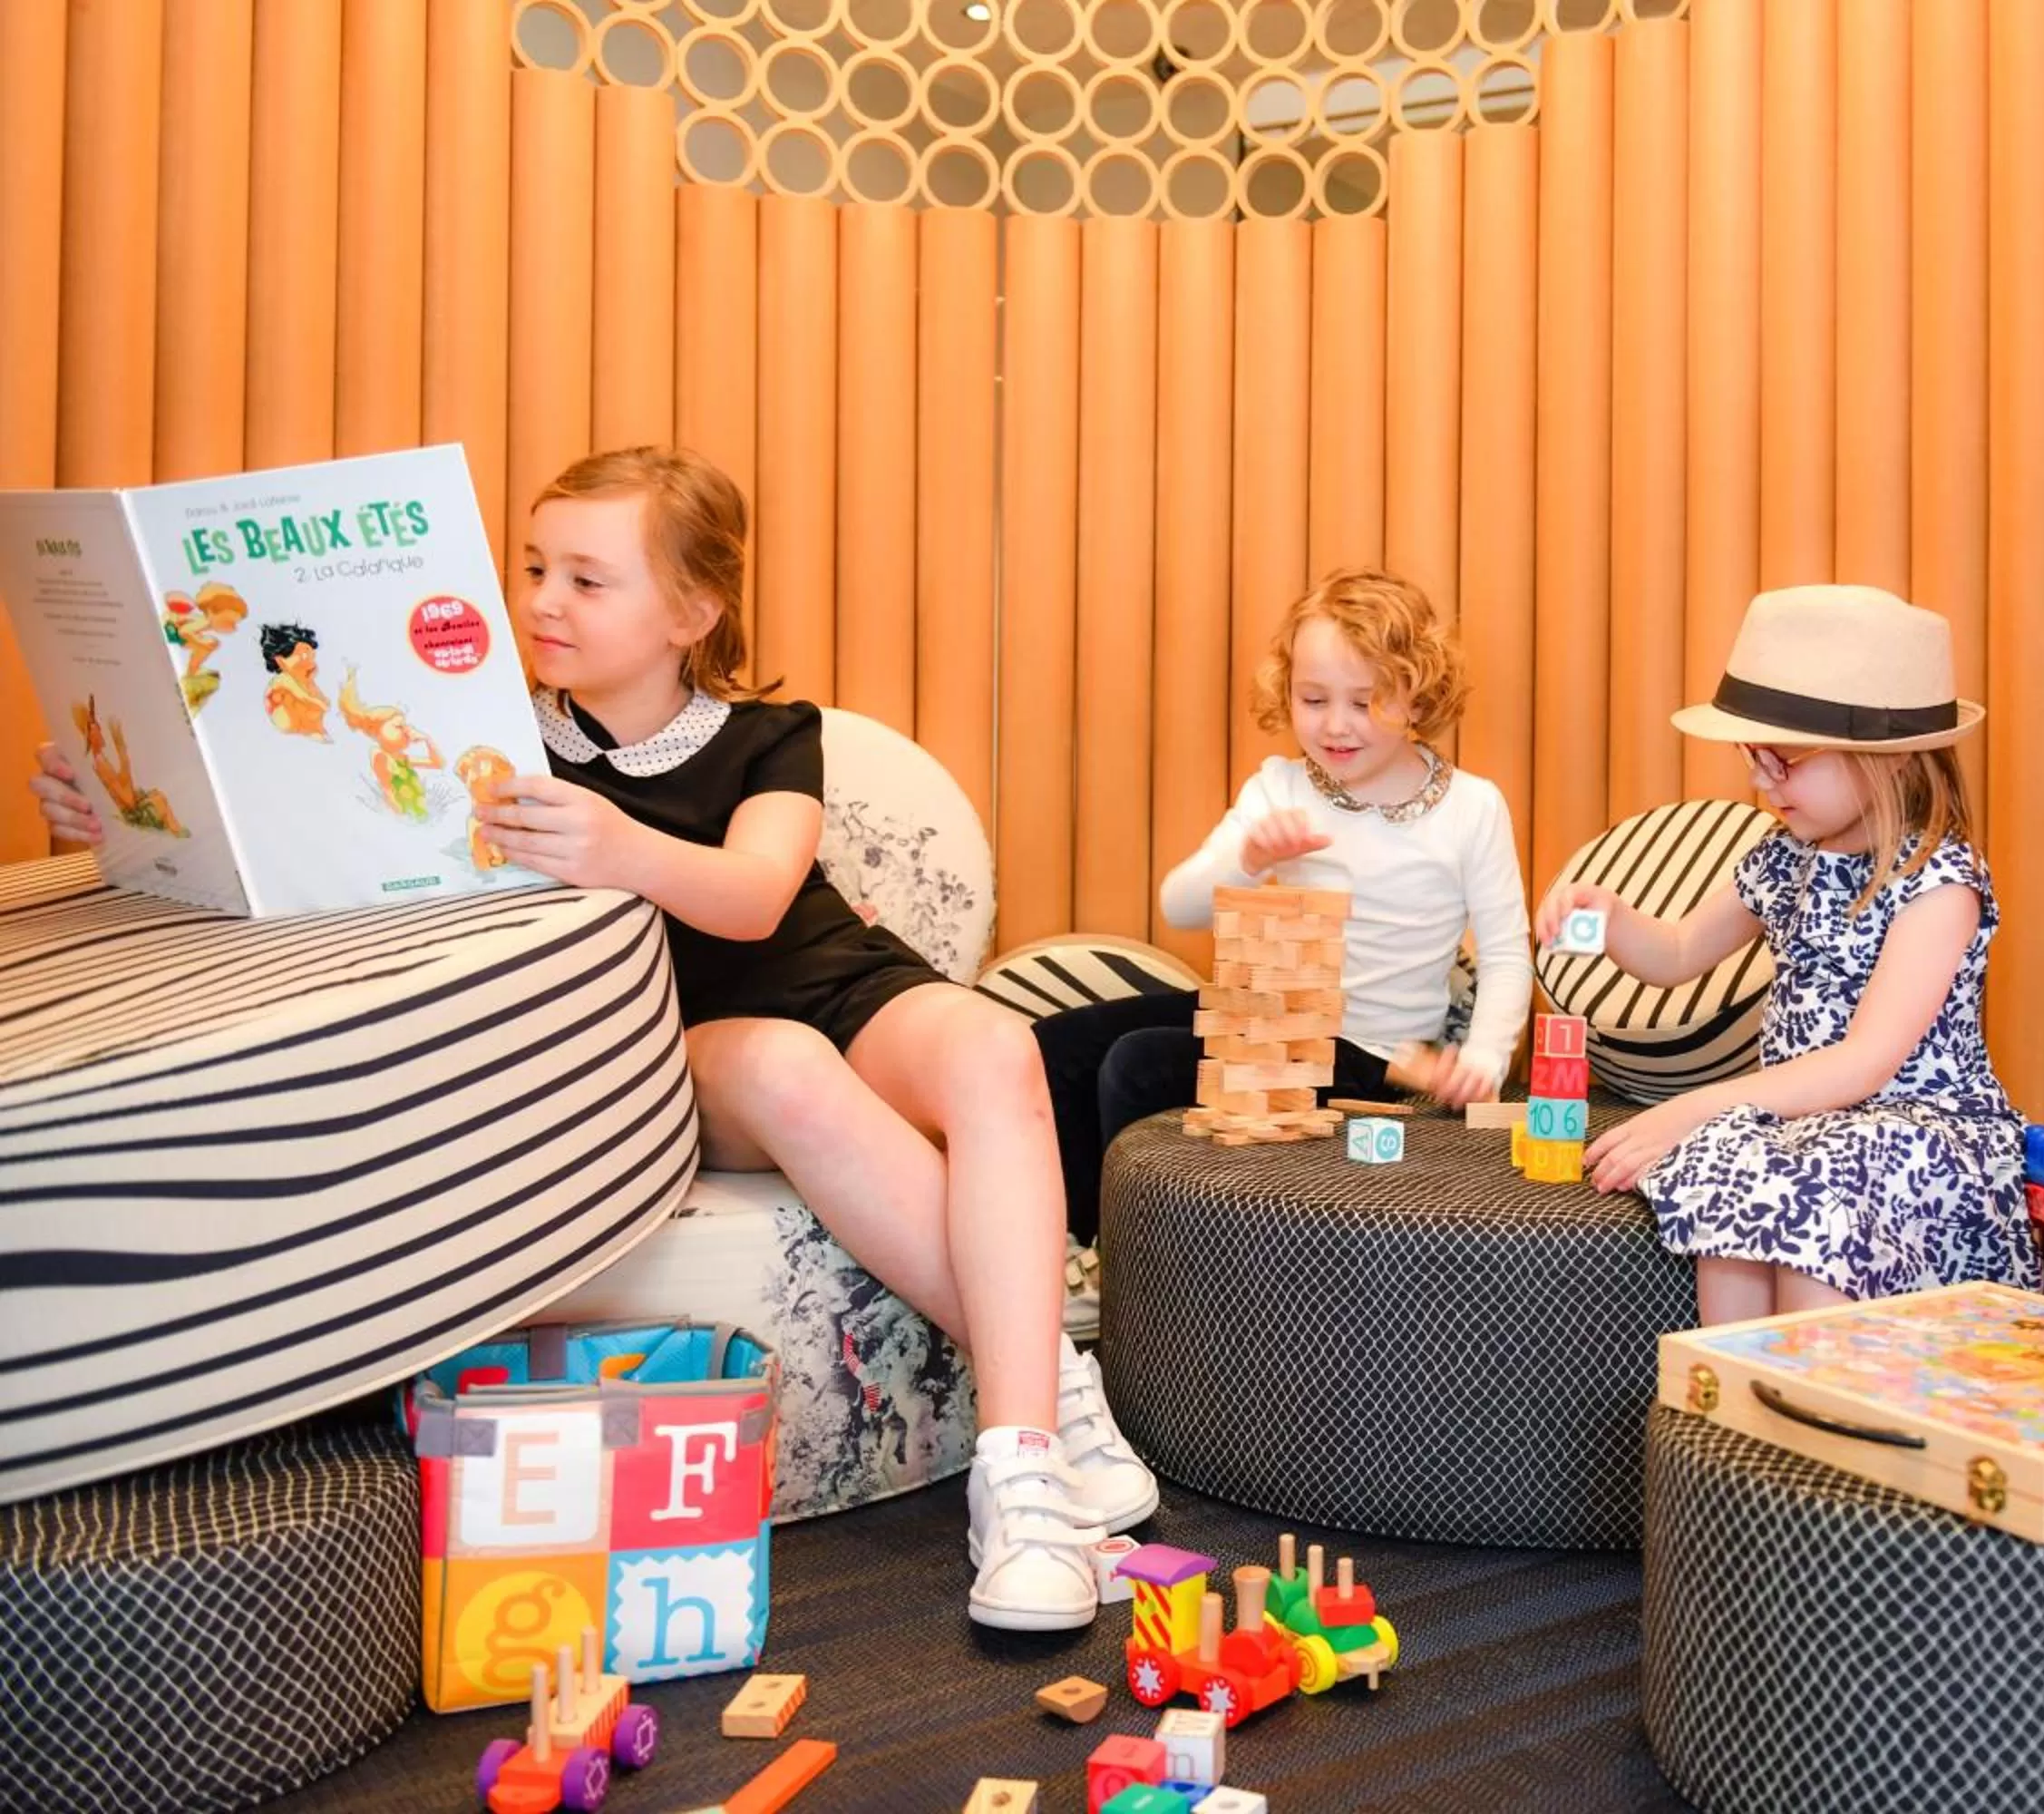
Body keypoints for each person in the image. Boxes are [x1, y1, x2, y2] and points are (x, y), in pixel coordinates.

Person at [31, 446, 1153, 1632]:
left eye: (587, 578)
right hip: (691, 1033)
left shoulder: (773, 736)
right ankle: (1044, 1415)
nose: (543, 601)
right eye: (533, 568)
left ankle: (1024, 1445)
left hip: (843, 974)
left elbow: (756, 896)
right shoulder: (483, 739)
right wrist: (119, 807)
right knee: (784, 1066)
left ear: (692, 611)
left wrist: (614, 846)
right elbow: (318, 847)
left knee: (994, 1049)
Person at [1533, 584, 2040, 1326]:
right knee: (1730, 1160)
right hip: (1803, 1118)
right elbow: (1676, 954)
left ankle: (1807, 1411)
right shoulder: (1782, 857)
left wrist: (1691, 1109)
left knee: (1818, 1179)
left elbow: (1865, 1064)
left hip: (1918, 1124)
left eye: (1785, 760)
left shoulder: (1939, 883)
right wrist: (1612, 918)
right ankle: (1733, 1415)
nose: (1759, 781)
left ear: (1889, 761)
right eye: (1752, 757)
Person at [1034, 568, 1531, 1240]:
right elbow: (1179, 906)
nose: (1336, 725)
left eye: (1366, 701)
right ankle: (1077, 1242)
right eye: (1313, 698)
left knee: (1140, 1063)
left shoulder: (1473, 808)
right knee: (1055, 1046)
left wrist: (1483, 1061)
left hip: (1372, 1053)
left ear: (1417, 697)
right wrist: (1250, 860)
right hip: (1265, 1019)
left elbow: (1505, 955)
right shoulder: (1282, 787)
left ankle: (1128, 1256)